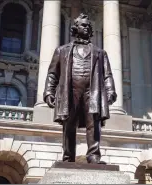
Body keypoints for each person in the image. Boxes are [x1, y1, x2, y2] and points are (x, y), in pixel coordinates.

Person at [43, 13, 117, 164]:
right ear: (75, 28)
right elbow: (52, 74)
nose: (87, 27)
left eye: (89, 25)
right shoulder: (62, 51)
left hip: (93, 91)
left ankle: (94, 155)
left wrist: (110, 91)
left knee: (93, 124)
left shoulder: (100, 53)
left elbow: (107, 75)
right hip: (70, 91)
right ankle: (68, 157)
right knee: (69, 124)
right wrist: (48, 91)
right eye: (84, 25)